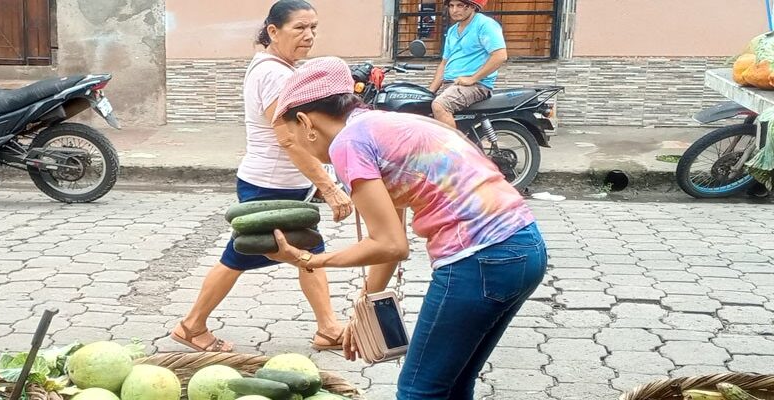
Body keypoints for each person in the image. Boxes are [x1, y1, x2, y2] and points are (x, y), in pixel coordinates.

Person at [265, 57, 548, 400]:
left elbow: (391, 245)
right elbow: (392, 233)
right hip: (524, 248)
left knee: (418, 390)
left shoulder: (347, 144)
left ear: (305, 121)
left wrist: (312, 260)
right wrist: (365, 306)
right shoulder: (380, 126)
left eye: (291, 137)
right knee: (454, 383)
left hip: (480, 258)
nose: (298, 146)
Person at [169, 0, 349, 353]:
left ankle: (328, 327)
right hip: (269, 185)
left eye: (313, 27)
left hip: (284, 185)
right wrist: (330, 188)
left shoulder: (280, 69)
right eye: (299, 28)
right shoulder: (274, 74)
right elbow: (288, 139)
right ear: (272, 31)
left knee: (310, 250)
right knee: (239, 255)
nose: (309, 35)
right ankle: (191, 326)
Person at [429, 0, 507, 129]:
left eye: (460, 6)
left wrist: (472, 79)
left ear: (473, 7)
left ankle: (454, 148)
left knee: (440, 105)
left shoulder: (485, 24)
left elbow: (500, 56)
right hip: (452, 85)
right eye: (451, 6)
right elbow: (444, 63)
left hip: (476, 86)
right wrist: (430, 91)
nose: (454, 10)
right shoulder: (452, 30)